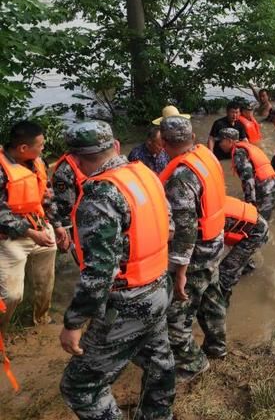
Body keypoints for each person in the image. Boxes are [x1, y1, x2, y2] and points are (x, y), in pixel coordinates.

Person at [58, 121, 175, 420]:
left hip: (128, 303)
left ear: (75, 159)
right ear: (116, 146)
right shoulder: (144, 173)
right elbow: (170, 227)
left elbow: (99, 274)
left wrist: (73, 322)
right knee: (158, 361)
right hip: (160, 287)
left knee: (80, 387)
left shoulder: (100, 197)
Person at [159, 116, 228, 380]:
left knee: (176, 314)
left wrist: (179, 270)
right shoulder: (206, 156)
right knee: (212, 298)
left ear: (164, 143)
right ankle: (217, 347)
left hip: (197, 253)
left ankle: (191, 363)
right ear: (193, 138)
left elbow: (185, 228)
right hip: (215, 243)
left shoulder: (181, 176)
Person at [0, 120, 67, 335]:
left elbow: (47, 197)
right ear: (23, 148)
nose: (43, 148)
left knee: (45, 279)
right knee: (11, 295)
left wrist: (57, 226)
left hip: (39, 227)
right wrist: (30, 233)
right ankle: (2, 332)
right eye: (40, 144)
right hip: (9, 237)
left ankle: (40, 318)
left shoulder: (37, 162)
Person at [217, 128, 275, 220]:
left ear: (229, 141)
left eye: (221, 141)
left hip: (265, 191)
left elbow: (248, 179)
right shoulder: (246, 147)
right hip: (272, 186)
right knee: (267, 218)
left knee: (259, 220)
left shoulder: (238, 154)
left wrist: (250, 203)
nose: (220, 145)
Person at [220, 196, 269, 301]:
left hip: (255, 232)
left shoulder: (204, 216)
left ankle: (221, 302)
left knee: (225, 272)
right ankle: (247, 268)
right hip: (249, 224)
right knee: (237, 259)